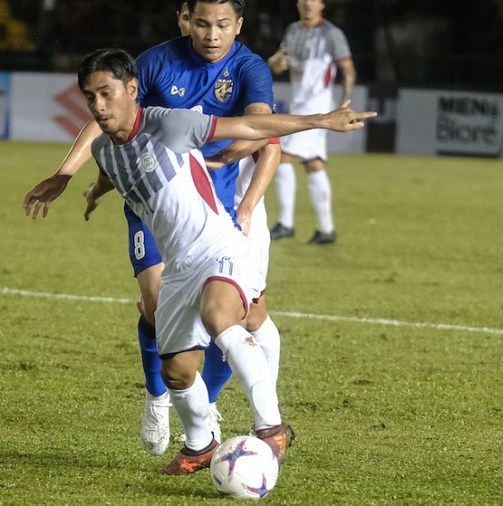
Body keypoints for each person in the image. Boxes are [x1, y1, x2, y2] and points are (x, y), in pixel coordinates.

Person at [74, 47, 373, 475]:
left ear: (132, 89)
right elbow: (112, 169)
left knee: (220, 317)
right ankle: (200, 444)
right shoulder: (103, 148)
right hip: (178, 267)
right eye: (90, 97)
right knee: (176, 370)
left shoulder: (171, 123)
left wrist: (319, 120)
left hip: (221, 247)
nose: (99, 105)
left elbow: (251, 124)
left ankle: (272, 427)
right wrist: (93, 192)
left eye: (106, 93)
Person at [23, 0, 283, 457]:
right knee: (155, 305)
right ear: (187, 21)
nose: (211, 34)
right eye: (202, 23)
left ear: (238, 26)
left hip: (216, 208)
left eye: (222, 25)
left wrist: (239, 191)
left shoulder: (249, 67)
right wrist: (66, 175)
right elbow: (107, 117)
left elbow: (262, 129)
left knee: (246, 316)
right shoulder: (158, 61)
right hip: (149, 204)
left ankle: (208, 409)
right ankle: (158, 396)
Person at [267, 0, 357, 245]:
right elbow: (276, 62)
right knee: (313, 162)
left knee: (282, 152)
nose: (307, 4)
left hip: (317, 107)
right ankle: (326, 230)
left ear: (322, 4)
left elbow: (347, 69)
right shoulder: (293, 30)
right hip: (300, 104)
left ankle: (285, 223)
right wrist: (275, 63)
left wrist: (345, 105)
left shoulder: (331, 34)